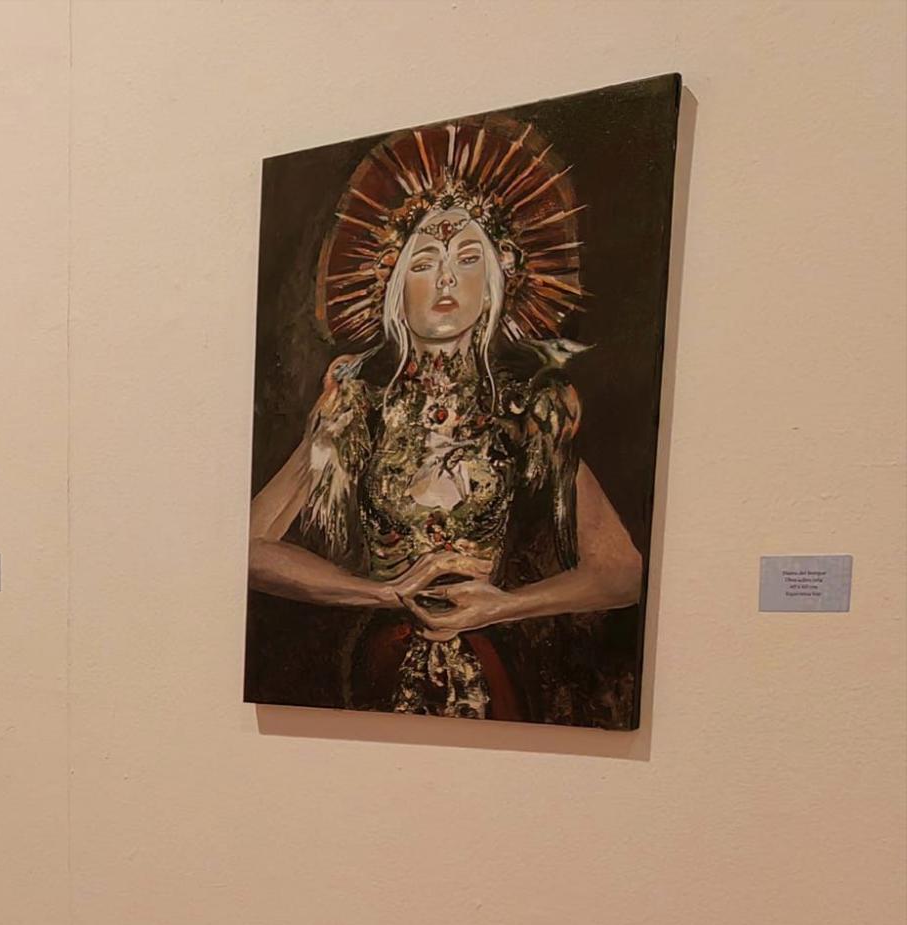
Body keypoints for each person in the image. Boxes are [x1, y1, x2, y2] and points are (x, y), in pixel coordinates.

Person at [248, 116, 644, 724]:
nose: (447, 279)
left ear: (495, 285)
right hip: (370, 679)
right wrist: (380, 592)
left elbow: (620, 572)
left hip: (501, 672)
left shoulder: (526, 412)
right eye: (425, 260)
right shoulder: (355, 410)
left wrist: (500, 606)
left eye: (467, 259)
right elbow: (249, 550)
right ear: (393, 283)